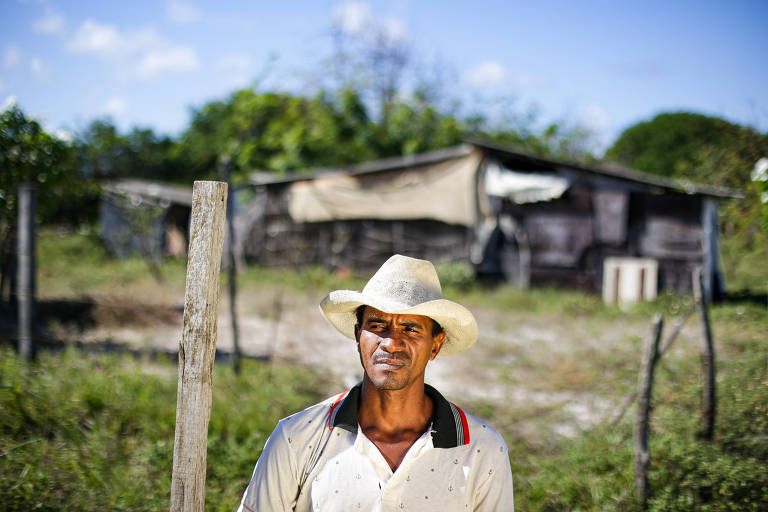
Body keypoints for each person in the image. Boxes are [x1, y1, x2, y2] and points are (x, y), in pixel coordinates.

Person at [237, 254, 514, 511]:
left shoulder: (481, 449)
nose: (391, 343)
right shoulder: (297, 438)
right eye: (378, 326)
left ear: (435, 345)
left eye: (411, 329)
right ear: (358, 335)